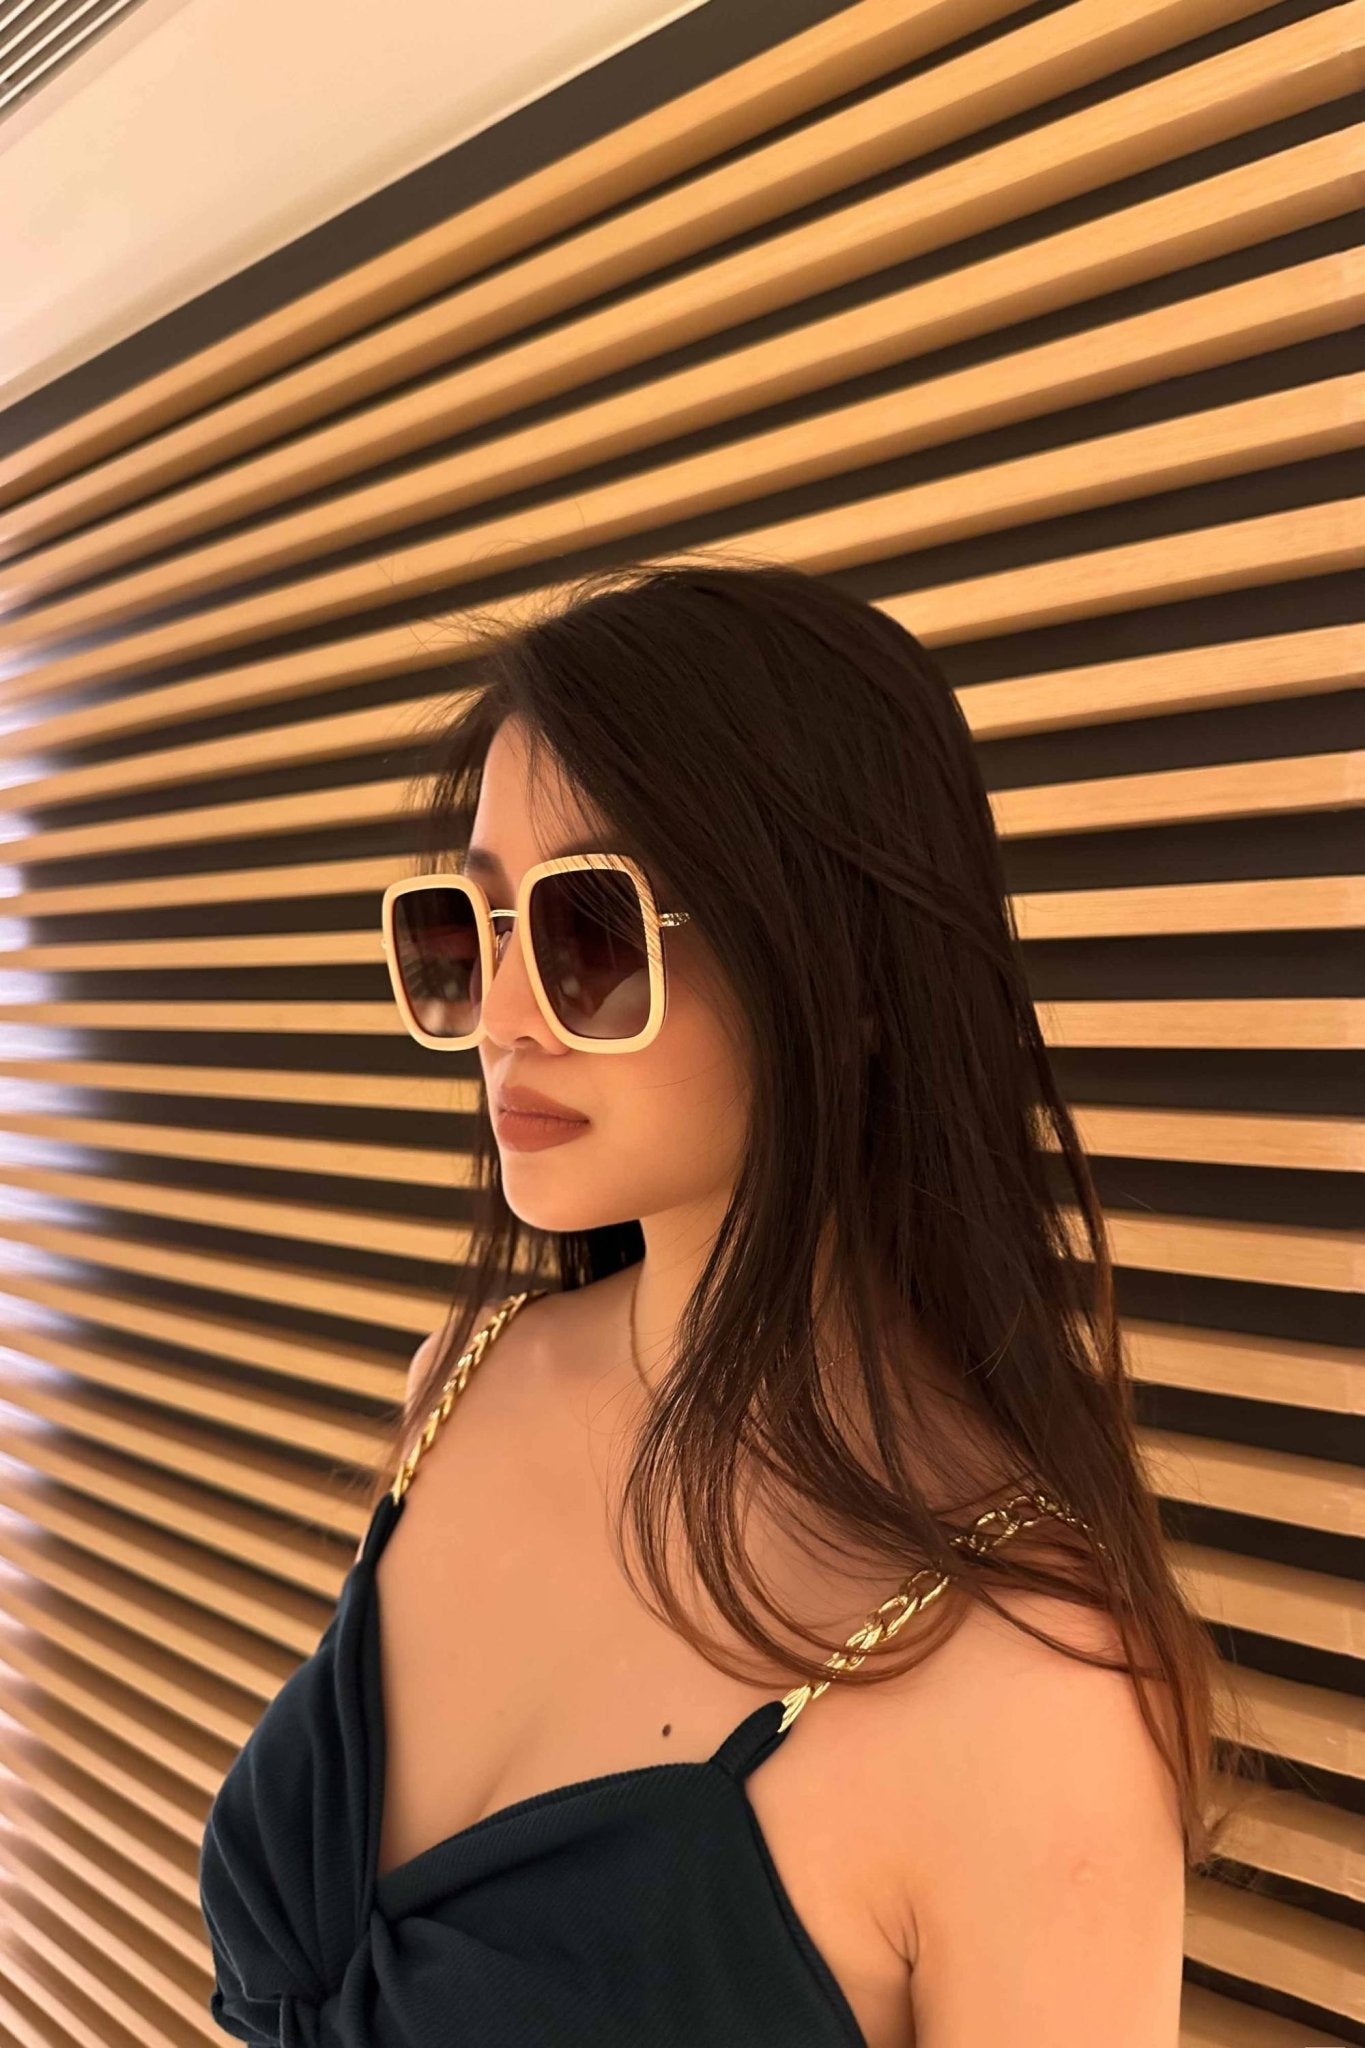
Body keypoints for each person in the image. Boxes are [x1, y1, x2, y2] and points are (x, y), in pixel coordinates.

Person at [201, 558, 1246, 2048]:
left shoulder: (1033, 1692)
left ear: (847, 970)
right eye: (470, 928)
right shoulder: (464, 1379)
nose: (503, 1015)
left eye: (590, 930)